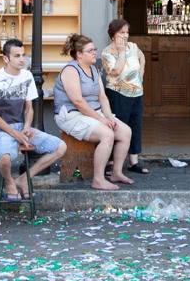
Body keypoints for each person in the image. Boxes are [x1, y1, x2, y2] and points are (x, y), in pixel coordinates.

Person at [0, 39, 66, 201]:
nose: (22, 59)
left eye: (23, 55)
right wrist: (15, 134)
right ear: (5, 59)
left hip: (21, 127)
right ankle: (9, 183)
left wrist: (27, 126)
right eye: (17, 56)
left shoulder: (27, 75)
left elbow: (29, 107)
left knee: (60, 147)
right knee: (5, 159)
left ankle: (23, 179)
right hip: (1, 130)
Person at [53, 34, 135, 191]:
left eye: (94, 49)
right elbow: (78, 101)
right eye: (90, 50)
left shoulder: (94, 69)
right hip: (71, 115)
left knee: (125, 132)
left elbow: (103, 98)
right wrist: (101, 120)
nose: (94, 53)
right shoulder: (71, 70)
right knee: (107, 134)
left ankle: (116, 173)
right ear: (79, 54)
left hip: (93, 113)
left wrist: (109, 117)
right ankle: (98, 179)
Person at [101, 18, 148, 175]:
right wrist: (121, 53)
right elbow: (115, 71)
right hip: (118, 94)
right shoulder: (107, 52)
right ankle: (112, 162)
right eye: (122, 33)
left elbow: (142, 58)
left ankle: (133, 161)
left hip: (136, 93)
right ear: (113, 34)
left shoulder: (133, 47)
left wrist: (140, 73)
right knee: (118, 127)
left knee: (136, 125)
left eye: (127, 32)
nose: (125, 36)